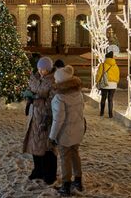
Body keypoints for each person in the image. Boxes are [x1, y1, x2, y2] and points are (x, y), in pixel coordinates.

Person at [49, 65, 85, 196]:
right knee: (75, 155)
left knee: (65, 158)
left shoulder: (60, 98)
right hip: (78, 130)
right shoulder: (78, 93)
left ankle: (66, 185)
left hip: (65, 134)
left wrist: (52, 137)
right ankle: (78, 181)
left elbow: (58, 120)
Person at [22, 57, 57, 184]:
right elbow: (30, 89)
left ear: (49, 69)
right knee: (34, 144)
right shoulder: (34, 78)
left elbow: (53, 100)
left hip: (46, 117)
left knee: (47, 147)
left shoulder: (53, 80)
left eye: (44, 69)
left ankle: (49, 174)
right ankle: (38, 170)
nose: (41, 71)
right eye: (39, 68)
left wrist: (38, 97)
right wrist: (28, 96)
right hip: (34, 117)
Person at [95, 51, 120, 118]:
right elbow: (117, 75)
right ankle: (110, 114)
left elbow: (99, 74)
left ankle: (102, 113)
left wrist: (97, 81)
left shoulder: (102, 65)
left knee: (103, 98)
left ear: (106, 57)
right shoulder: (115, 66)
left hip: (105, 84)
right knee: (110, 99)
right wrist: (116, 82)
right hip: (113, 84)